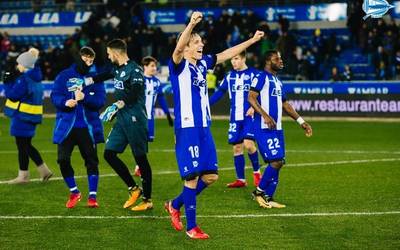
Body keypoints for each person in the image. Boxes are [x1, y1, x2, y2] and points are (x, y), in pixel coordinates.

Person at [164, 11, 264, 239]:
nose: (201, 45)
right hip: (187, 128)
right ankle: (192, 227)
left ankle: (174, 204)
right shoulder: (178, 66)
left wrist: (251, 40)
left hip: (204, 128)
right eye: (197, 42)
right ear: (188, 47)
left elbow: (227, 54)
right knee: (191, 178)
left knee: (210, 177)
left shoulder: (202, 65)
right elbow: (178, 50)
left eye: (201, 42)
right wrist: (190, 24)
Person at [75, 39, 153, 211]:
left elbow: (135, 92)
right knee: (109, 154)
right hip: (122, 120)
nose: (108, 57)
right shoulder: (118, 69)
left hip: (135, 119)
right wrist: (84, 81)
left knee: (140, 159)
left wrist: (117, 105)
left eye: (109, 54)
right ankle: (134, 189)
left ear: (116, 53)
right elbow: (104, 75)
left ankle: (147, 200)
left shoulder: (135, 70)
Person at [248, 50, 313, 209]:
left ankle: (268, 198)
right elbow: (250, 97)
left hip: (277, 128)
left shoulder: (277, 81)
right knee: (276, 161)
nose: (281, 61)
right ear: (268, 61)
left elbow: (285, 105)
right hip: (264, 127)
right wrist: (265, 115)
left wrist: (301, 121)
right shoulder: (261, 77)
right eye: (277, 58)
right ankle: (258, 192)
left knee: (279, 162)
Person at [51, 47, 106, 208]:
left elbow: (100, 101)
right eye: (86, 59)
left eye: (91, 60)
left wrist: (85, 98)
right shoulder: (64, 76)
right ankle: (74, 191)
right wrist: (65, 102)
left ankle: (92, 196)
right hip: (66, 126)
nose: (88, 63)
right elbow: (55, 96)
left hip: (87, 127)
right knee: (62, 159)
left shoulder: (95, 78)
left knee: (91, 161)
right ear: (79, 57)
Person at [209, 50, 261, 188]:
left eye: (236, 58)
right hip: (235, 117)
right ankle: (241, 180)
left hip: (250, 116)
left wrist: (255, 107)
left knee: (249, 145)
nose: (234, 62)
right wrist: (206, 104)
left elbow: (261, 92)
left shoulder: (254, 74)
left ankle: (257, 173)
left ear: (244, 59)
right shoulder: (229, 76)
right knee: (237, 148)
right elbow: (220, 92)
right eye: (232, 59)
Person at [3, 48, 53, 184]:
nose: (17, 65)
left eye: (19, 63)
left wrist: (7, 82)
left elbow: (13, 96)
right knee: (27, 145)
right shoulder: (35, 77)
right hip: (31, 116)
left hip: (23, 117)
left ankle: (23, 176)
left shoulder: (25, 78)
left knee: (22, 147)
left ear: (25, 64)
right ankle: (44, 171)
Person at [133, 56, 173, 177]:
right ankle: (139, 167)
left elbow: (161, 98)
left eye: (155, 66)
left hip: (150, 118)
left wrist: (167, 115)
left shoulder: (156, 82)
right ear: (144, 66)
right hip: (138, 116)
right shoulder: (139, 80)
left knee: (145, 142)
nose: (154, 68)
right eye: (151, 66)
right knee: (140, 142)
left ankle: (138, 166)